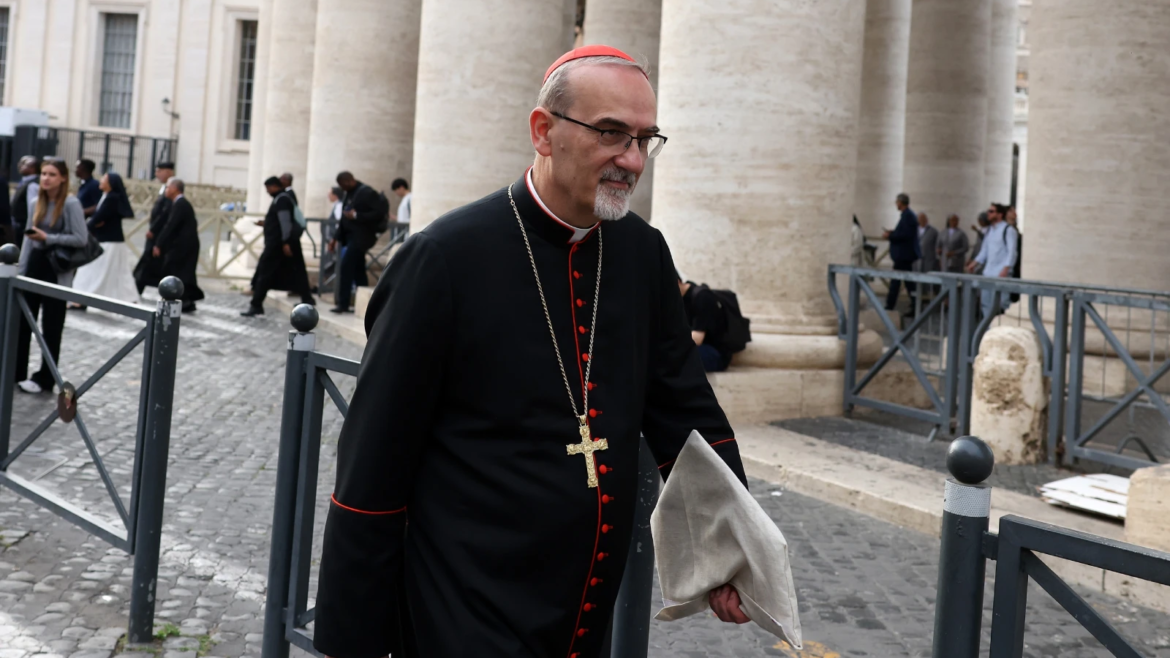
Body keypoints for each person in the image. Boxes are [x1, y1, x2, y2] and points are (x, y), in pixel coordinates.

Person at [313, 45, 749, 658]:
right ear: (544, 132)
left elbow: (686, 415)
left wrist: (733, 549)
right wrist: (354, 643)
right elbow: (372, 470)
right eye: (611, 133)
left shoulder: (641, 254)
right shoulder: (443, 261)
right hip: (464, 609)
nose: (632, 159)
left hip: (583, 614)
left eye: (646, 139)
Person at [14, 159, 88, 394]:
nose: (46, 178)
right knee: (24, 324)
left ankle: (46, 378)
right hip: (34, 268)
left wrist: (48, 237)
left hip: (56, 271)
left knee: (52, 327)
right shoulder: (36, 201)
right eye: (44, 173)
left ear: (63, 178)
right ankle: (16, 373)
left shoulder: (71, 204)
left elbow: (81, 239)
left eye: (52, 174)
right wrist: (20, 273)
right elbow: (27, 239)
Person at [241, 177, 314, 316]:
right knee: (297, 270)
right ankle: (307, 298)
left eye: (268, 188)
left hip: (279, 245)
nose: (268, 191)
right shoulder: (282, 199)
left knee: (265, 272)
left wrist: (286, 242)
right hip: (284, 243)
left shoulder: (282, 200)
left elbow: (285, 223)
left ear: (274, 186)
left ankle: (256, 304)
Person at [70, 173, 140, 307]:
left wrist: (83, 228)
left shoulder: (112, 198)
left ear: (110, 183)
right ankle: (129, 298)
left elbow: (99, 217)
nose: (100, 180)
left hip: (109, 241)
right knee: (118, 271)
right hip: (108, 240)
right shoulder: (107, 196)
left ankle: (81, 299)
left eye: (104, 178)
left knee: (92, 269)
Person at [327, 171, 382, 314]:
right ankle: (366, 305)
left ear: (350, 180)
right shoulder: (348, 193)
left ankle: (343, 303)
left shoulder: (367, 192)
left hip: (362, 238)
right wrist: (335, 239)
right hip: (350, 237)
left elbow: (378, 213)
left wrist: (357, 215)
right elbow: (343, 219)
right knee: (359, 271)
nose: (343, 188)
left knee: (346, 267)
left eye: (344, 185)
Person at [152, 179, 204, 313]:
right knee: (182, 273)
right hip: (183, 246)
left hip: (183, 247)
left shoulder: (181, 204)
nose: (166, 190)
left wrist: (158, 243)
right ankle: (187, 302)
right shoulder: (178, 203)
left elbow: (170, 225)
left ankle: (185, 301)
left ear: (175, 189)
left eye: (168, 187)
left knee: (178, 273)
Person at [967, 203, 1018, 317]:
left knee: (1002, 304)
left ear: (999, 214)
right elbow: (984, 251)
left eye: (991, 211)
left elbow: (1012, 252)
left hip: (1001, 275)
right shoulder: (990, 231)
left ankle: (1001, 331)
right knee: (986, 304)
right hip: (988, 274)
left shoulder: (1008, 230)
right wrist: (974, 264)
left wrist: (1006, 268)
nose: (988, 214)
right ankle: (989, 331)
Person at [133, 162, 176, 294]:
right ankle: (136, 287)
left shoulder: (171, 188)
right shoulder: (164, 188)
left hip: (159, 234)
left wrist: (153, 229)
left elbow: (164, 213)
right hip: (156, 234)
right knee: (148, 263)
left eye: (159, 171)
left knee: (149, 262)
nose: (156, 174)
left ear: (168, 172)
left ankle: (137, 287)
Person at [678, 278, 733, 372]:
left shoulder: (702, 297)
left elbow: (697, 338)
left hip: (715, 354)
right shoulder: (679, 300)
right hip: (697, 349)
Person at [883, 192, 919, 311]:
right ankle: (915, 305)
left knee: (897, 281)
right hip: (904, 255)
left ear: (901, 202)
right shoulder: (907, 215)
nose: (896, 204)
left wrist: (890, 235)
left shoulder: (908, 215)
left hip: (904, 255)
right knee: (908, 282)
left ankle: (890, 305)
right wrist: (893, 233)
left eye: (897, 202)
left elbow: (905, 235)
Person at [11, 156, 40, 234]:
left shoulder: (33, 184)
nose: (19, 165)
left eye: (24, 163)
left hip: (24, 225)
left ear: (33, 167)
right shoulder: (24, 181)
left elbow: (32, 209)